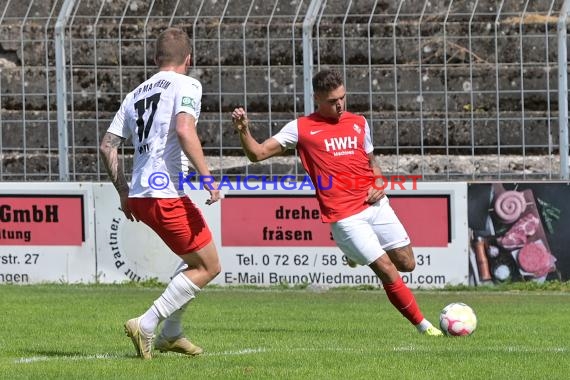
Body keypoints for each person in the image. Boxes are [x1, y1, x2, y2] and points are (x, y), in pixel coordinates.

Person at [231, 69, 443, 336]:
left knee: (406, 263)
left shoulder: (359, 122)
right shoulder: (301, 128)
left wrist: (379, 183)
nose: (340, 104)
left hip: (376, 204)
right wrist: (244, 131)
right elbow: (257, 153)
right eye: (333, 101)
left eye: (343, 97)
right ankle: (425, 327)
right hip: (345, 216)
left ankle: (353, 254)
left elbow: (372, 165)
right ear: (317, 98)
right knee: (387, 269)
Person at [100, 27, 222, 359]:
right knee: (209, 266)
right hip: (165, 193)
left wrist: (124, 192)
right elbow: (185, 129)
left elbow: (107, 146)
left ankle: (171, 333)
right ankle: (148, 323)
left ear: (155, 59)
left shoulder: (135, 94)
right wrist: (208, 178)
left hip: (142, 195)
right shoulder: (188, 84)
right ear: (189, 58)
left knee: (193, 261)